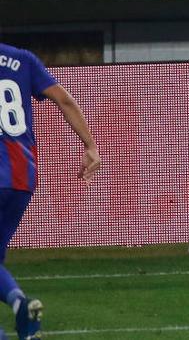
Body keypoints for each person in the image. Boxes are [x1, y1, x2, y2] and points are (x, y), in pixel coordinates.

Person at [0, 41, 99, 340]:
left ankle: (16, 309)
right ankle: (20, 307)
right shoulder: (22, 58)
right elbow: (64, 100)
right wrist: (90, 145)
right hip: (21, 177)